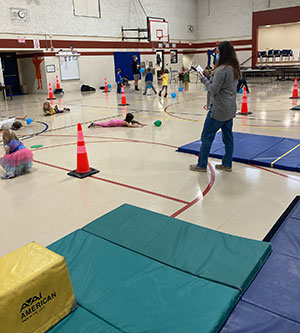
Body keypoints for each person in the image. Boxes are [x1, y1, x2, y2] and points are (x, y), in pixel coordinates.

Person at [190, 41, 241, 173]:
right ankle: (227, 164)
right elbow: (224, 85)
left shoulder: (222, 69)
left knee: (207, 137)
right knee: (228, 138)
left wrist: (203, 79)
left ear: (222, 53)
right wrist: (210, 76)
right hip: (230, 108)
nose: (216, 55)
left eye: (217, 53)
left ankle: (201, 165)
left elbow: (213, 89)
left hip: (218, 109)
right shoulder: (233, 68)